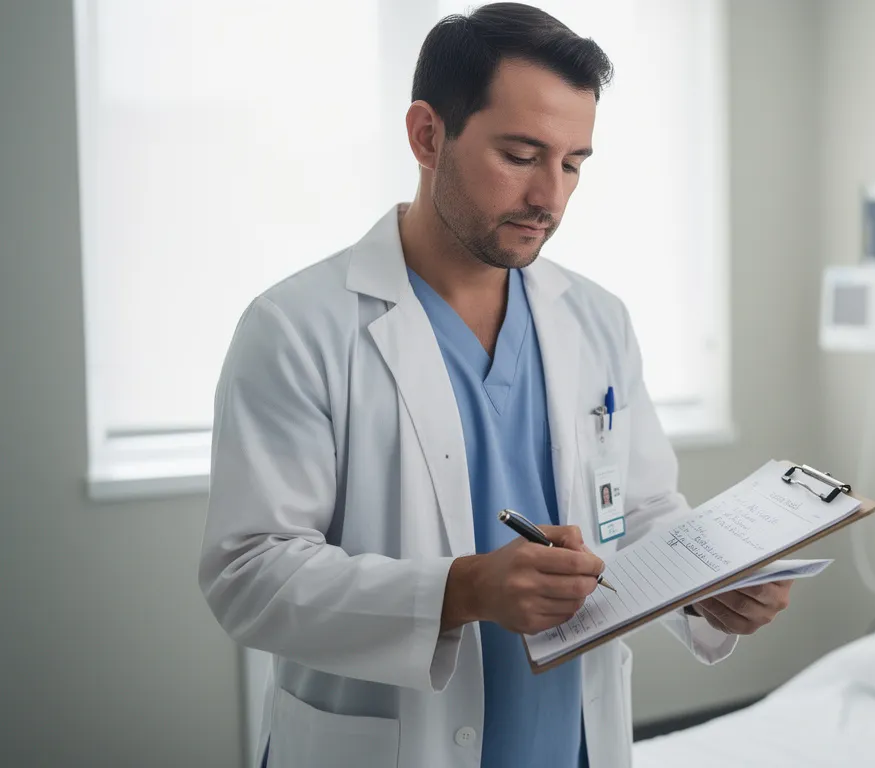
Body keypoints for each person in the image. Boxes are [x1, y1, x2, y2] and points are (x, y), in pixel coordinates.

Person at [197, 4, 793, 768]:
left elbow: (639, 514)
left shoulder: (597, 319)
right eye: (520, 155)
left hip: (570, 743)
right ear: (426, 135)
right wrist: (466, 590)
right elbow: (249, 574)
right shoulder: (297, 327)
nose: (551, 196)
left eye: (573, 163)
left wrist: (707, 588)